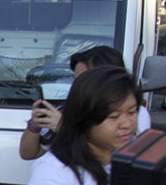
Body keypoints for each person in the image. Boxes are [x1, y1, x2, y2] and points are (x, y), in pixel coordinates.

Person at [19, 46, 151, 160]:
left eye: (86, 79)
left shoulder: (136, 114)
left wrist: (64, 128)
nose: (79, 86)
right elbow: (28, 153)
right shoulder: (66, 111)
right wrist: (34, 126)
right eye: (76, 80)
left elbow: (119, 158)